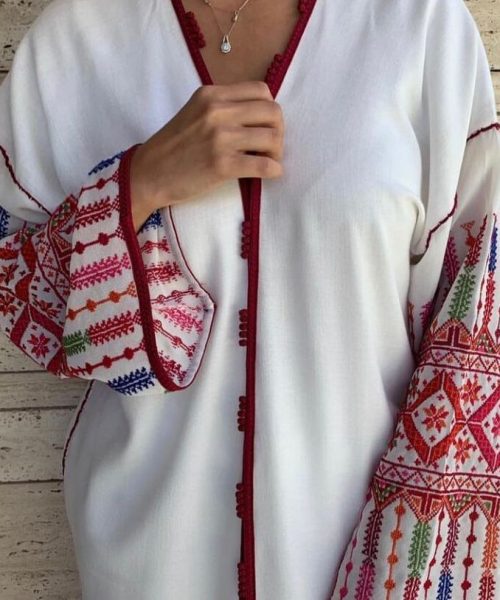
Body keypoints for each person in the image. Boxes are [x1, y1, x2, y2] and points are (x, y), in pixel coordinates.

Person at [0, 0, 498, 597]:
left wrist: (409, 551)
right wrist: (138, 185)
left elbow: (475, 315)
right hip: (149, 564)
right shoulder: (72, 43)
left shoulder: (420, 26)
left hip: (368, 558)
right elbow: (23, 297)